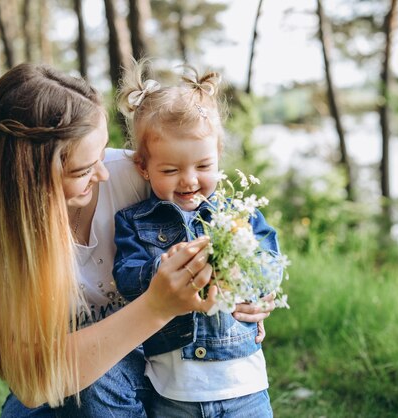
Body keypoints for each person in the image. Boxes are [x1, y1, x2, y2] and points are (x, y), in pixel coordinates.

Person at [0, 63, 275, 417]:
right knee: (95, 383)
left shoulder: (136, 176)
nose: (104, 173)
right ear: (30, 180)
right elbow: (33, 383)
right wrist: (156, 307)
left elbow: (216, 219)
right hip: (65, 396)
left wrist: (244, 290)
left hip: (159, 385)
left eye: (103, 153)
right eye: (83, 170)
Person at [112, 60, 280, 417]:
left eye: (203, 167)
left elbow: (270, 265)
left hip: (243, 384)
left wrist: (252, 285)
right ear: (143, 167)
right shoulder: (132, 221)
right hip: (173, 390)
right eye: (170, 170)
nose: (188, 181)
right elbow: (126, 277)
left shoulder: (240, 216)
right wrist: (162, 268)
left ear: (218, 156)